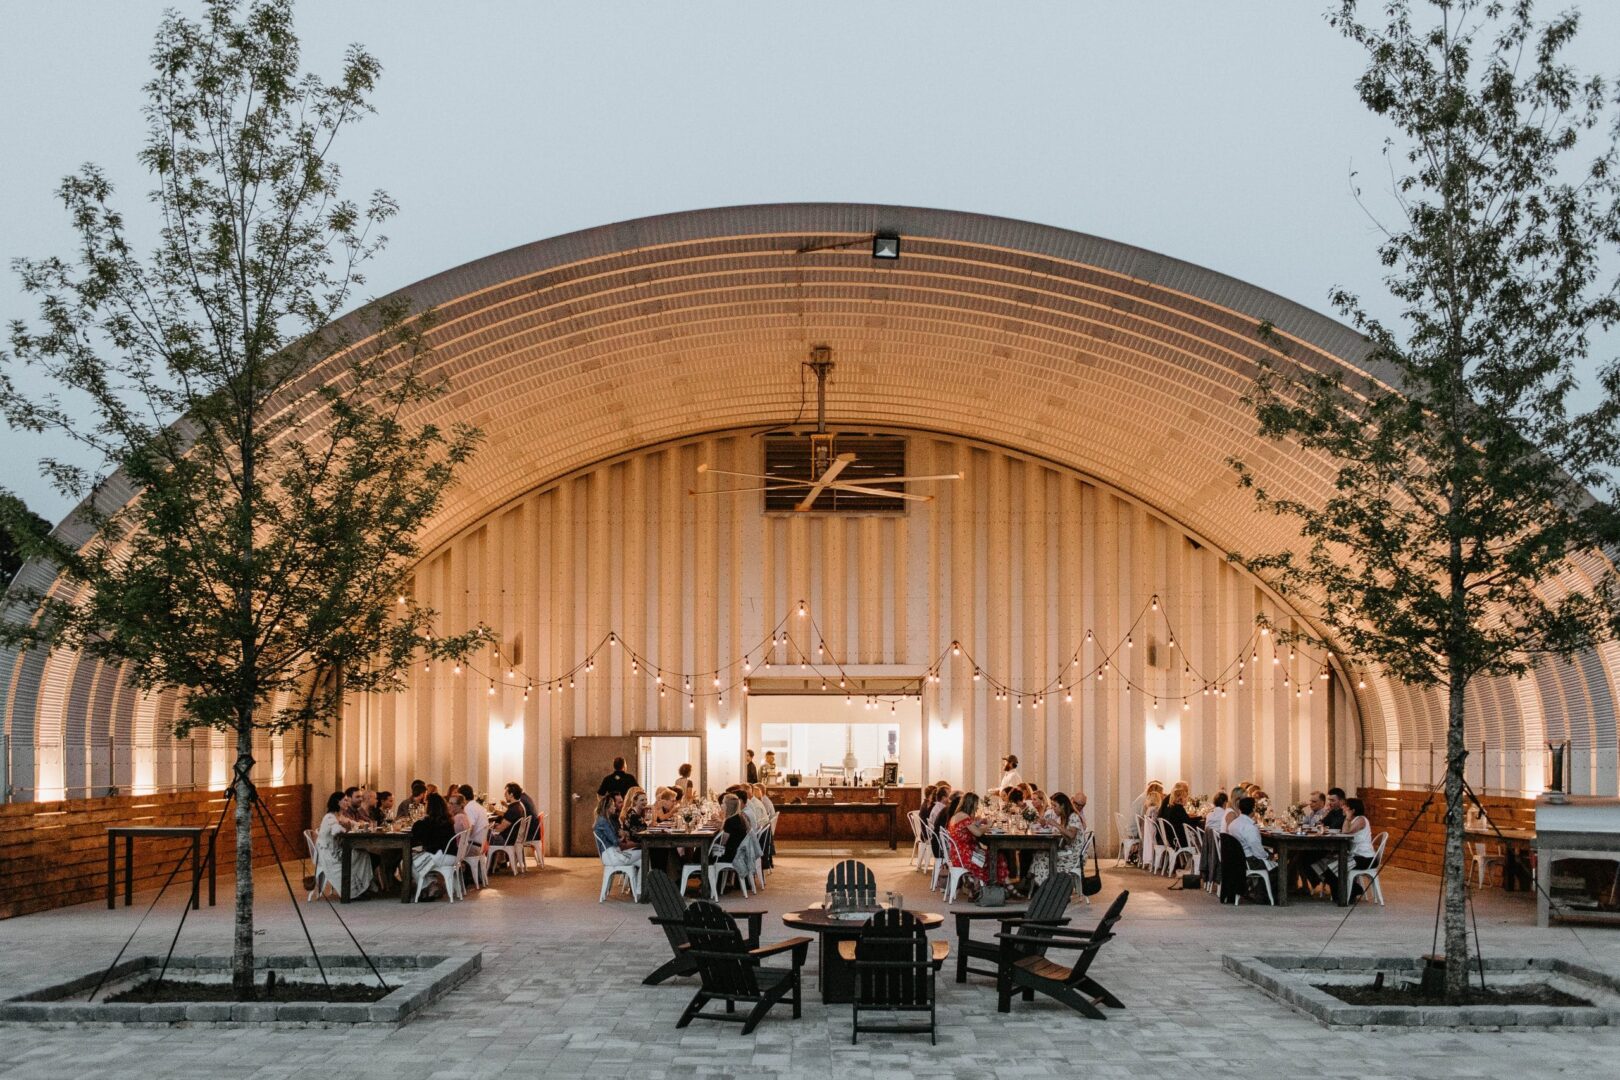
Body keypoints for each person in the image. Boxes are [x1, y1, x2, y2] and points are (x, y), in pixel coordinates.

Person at [1317, 796, 1378, 899]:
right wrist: (1348, 818)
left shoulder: (1361, 820)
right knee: (1321, 865)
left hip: (1365, 858)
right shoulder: (1353, 820)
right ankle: (1352, 890)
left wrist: (1347, 817)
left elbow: (1346, 832)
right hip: (1355, 855)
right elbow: (1345, 831)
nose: (1342, 808)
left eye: (1345, 806)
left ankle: (1347, 894)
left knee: (1332, 868)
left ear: (1352, 810)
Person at [947, 792, 1008, 894]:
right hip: (965, 857)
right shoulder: (964, 817)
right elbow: (978, 833)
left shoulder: (958, 815)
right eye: (976, 804)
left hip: (957, 854)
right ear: (971, 804)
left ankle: (999, 886)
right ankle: (995, 888)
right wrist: (989, 825)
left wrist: (978, 823)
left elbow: (969, 828)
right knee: (996, 856)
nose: (977, 807)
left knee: (992, 855)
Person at [316, 791, 374, 899]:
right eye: (345, 800)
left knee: (363, 855)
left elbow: (353, 823)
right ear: (338, 802)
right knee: (358, 855)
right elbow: (336, 830)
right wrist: (343, 827)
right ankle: (352, 892)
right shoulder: (329, 817)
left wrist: (362, 824)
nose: (347, 803)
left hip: (337, 850)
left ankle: (361, 887)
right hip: (329, 853)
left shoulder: (340, 816)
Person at [409, 792, 457, 897]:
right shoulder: (448, 821)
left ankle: (428, 885)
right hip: (452, 855)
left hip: (439, 855)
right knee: (421, 857)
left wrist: (420, 819)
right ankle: (432, 883)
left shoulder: (427, 823)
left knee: (409, 861)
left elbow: (416, 834)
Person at [1227, 796, 1276, 877]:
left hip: (1236, 860)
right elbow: (1259, 853)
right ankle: (1266, 889)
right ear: (1253, 809)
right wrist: (1269, 856)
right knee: (1280, 866)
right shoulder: (1250, 827)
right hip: (1249, 862)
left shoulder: (1233, 824)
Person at [593, 792, 641, 871]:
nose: (614, 808)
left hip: (612, 854)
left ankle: (639, 884)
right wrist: (622, 836)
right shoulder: (604, 822)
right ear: (608, 808)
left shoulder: (603, 820)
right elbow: (615, 841)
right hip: (612, 856)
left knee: (642, 861)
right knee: (644, 853)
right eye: (613, 806)